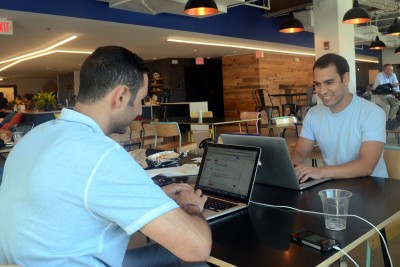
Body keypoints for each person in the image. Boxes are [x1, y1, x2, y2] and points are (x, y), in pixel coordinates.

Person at [0, 46, 211, 266]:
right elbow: (198, 247)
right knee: (198, 259)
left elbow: (79, 197)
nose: (140, 110)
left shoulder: (33, 138)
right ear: (121, 95)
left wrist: (152, 197)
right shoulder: (101, 154)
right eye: (140, 99)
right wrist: (190, 207)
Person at [290, 53, 387, 183]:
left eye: (329, 82)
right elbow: (300, 152)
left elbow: (366, 166)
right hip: (332, 188)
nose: (322, 91)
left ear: (345, 79)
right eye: (317, 84)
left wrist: (321, 171)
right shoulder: (313, 114)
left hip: (371, 190)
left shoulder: (372, 112)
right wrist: (292, 165)